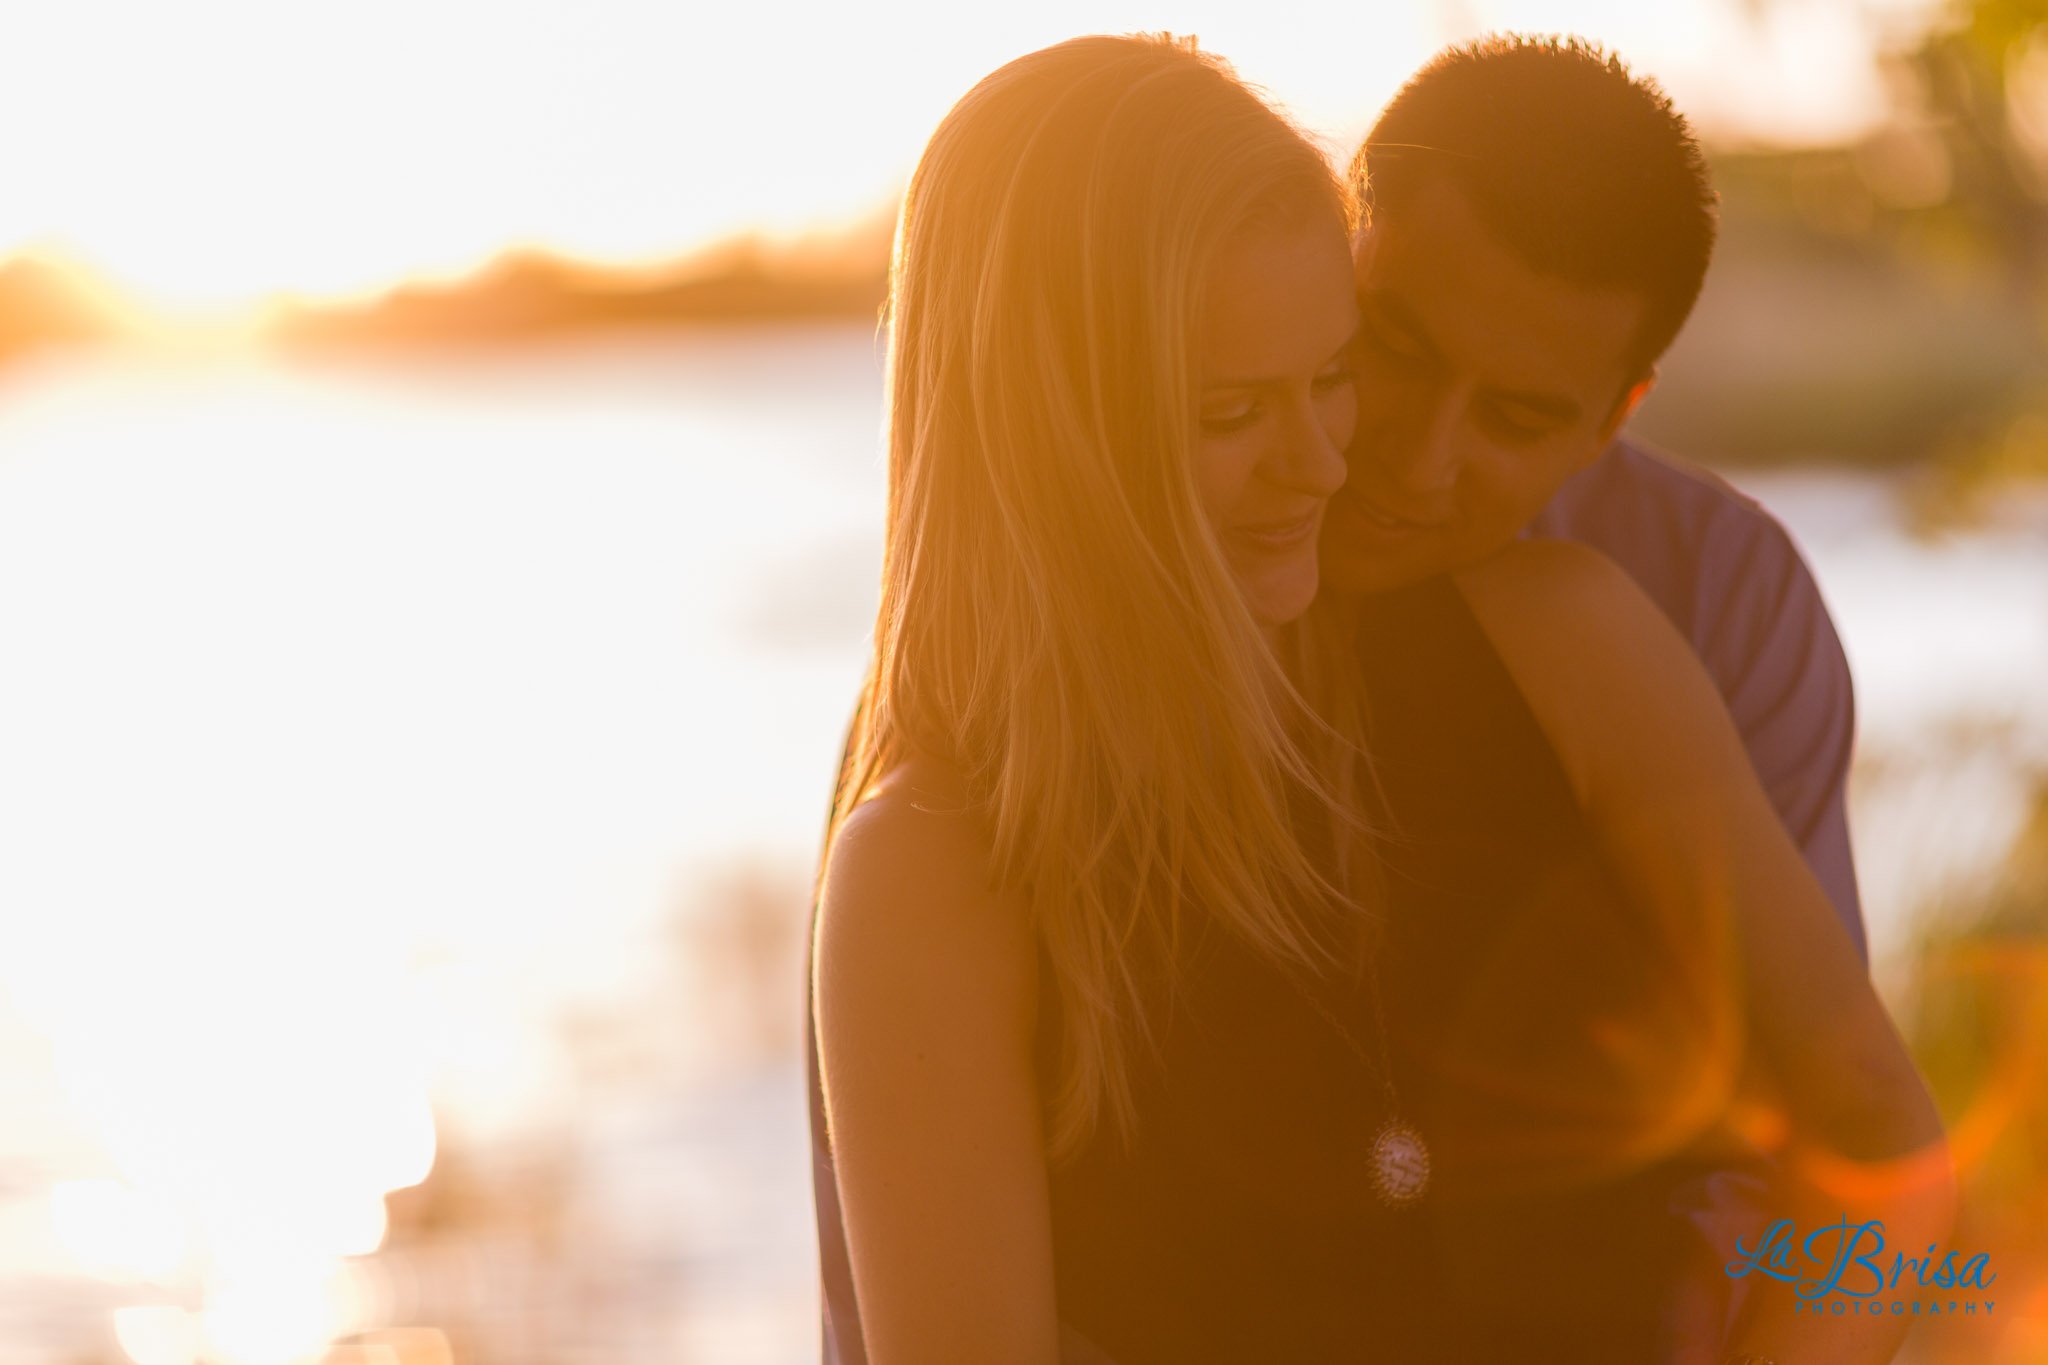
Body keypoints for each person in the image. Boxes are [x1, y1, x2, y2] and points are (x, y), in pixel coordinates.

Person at [806, 31, 1951, 1365]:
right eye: (1235, 410)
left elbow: (1883, 1148)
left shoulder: (1573, 640)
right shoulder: (932, 864)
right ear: (1066, 434)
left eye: (1328, 375)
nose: (1335, 460)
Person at [1318, 36, 1867, 1351]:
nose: (1417, 455)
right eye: (1394, 345)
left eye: (1514, 416)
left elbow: (1825, 1156)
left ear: (1615, 417)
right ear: (1330, 257)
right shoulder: (1113, 567)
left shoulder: (1725, 606)